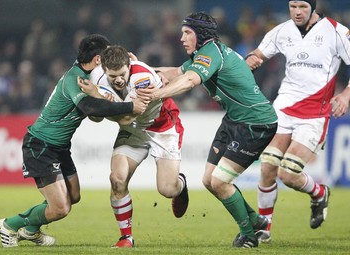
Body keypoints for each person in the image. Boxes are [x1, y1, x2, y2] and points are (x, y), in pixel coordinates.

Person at [136, 12, 278, 248]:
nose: (182, 38)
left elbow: (190, 80)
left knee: (221, 182)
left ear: (201, 35)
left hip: (256, 123)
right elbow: (175, 73)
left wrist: (157, 94)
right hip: (235, 119)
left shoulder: (210, 54)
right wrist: (138, 68)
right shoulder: (204, 53)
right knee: (209, 180)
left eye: (187, 33)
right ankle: (256, 220)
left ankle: (249, 236)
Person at [0, 34, 149, 248]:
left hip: (59, 147)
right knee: (61, 208)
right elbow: (90, 109)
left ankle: (30, 230)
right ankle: (9, 225)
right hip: (41, 145)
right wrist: (130, 107)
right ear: (97, 60)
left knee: (73, 196)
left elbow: (96, 113)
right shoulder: (74, 78)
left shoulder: (89, 77)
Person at [245, 0, 350, 243]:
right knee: (268, 165)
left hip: (314, 114)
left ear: (313, 7)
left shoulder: (336, 31)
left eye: (302, 6)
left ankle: (319, 192)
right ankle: (264, 230)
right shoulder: (282, 31)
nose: (297, 12)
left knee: (289, 173)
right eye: (292, 6)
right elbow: (258, 54)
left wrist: (345, 94)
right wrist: (252, 59)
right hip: (283, 108)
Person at [79, 45, 189, 248]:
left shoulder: (142, 78)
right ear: (104, 70)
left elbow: (126, 118)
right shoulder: (98, 79)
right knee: (117, 179)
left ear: (129, 65)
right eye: (113, 76)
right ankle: (126, 238)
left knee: (167, 189)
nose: (119, 80)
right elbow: (96, 117)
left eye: (122, 74)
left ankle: (180, 184)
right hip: (134, 131)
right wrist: (97, 104)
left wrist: (99, 99)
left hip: (162, 127)